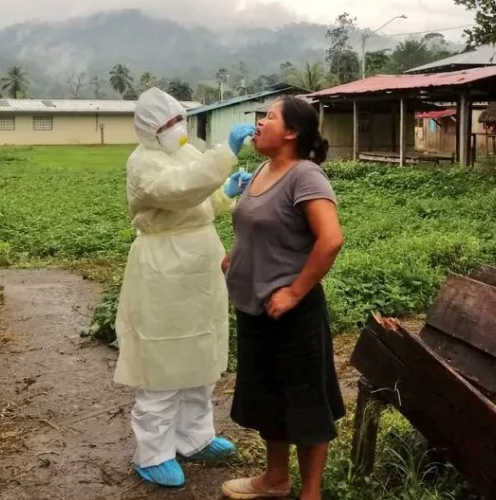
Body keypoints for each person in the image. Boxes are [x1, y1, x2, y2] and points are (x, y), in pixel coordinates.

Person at [113, 87, 256, 488]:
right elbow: (179, 190)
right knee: (163, 360)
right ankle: (153, 452)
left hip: (201, 261)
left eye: (179, 119)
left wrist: (226, 193)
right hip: (163, 266)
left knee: (200, 352)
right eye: (167, 123)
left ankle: (194, 437)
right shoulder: (142, 163)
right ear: (148, 129)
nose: (176, 128)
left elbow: (201, 200)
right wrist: (225, 154)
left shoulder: (188, 152)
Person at [221, 96, 345, 500]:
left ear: (291, 132)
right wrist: (235, 257)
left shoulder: (305, 176)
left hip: (293, 316)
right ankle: (275, 478)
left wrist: (293, 291)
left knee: (305, 404)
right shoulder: (263, 169)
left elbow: (331, 239)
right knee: (269, 398)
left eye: (269, 117)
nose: (259, 123)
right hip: (255, 309)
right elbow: (258, 228)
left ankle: (311, 493)